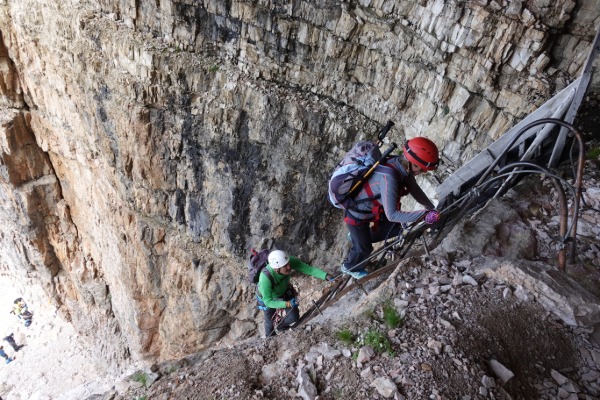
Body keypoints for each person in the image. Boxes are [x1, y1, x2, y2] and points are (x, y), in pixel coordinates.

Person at [340, 137, 441, 279]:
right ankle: (349, 267)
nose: (423, 173)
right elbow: (392, 215)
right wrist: (425, 215)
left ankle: (359, 237)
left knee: (394, 230)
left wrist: (430, 207)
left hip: (375, 209)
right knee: (364, 249)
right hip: (357, 214)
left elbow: (414, 188)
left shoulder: (400, 165)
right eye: (422, 169)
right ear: (413, 164)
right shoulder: (390, 176)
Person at [257, 250, 333, 337]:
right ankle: (270, 340)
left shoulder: (287, 261)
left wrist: (325, 276)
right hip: (267, 298)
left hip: (284, 291)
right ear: (276, 269)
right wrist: (287, 304)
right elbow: (268, 302)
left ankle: (281, 325)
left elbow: (308, 269)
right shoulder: (265, 279)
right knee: (270, 321)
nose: (289, 267)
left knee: (294, 317)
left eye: (288, 263)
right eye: (285, 266)